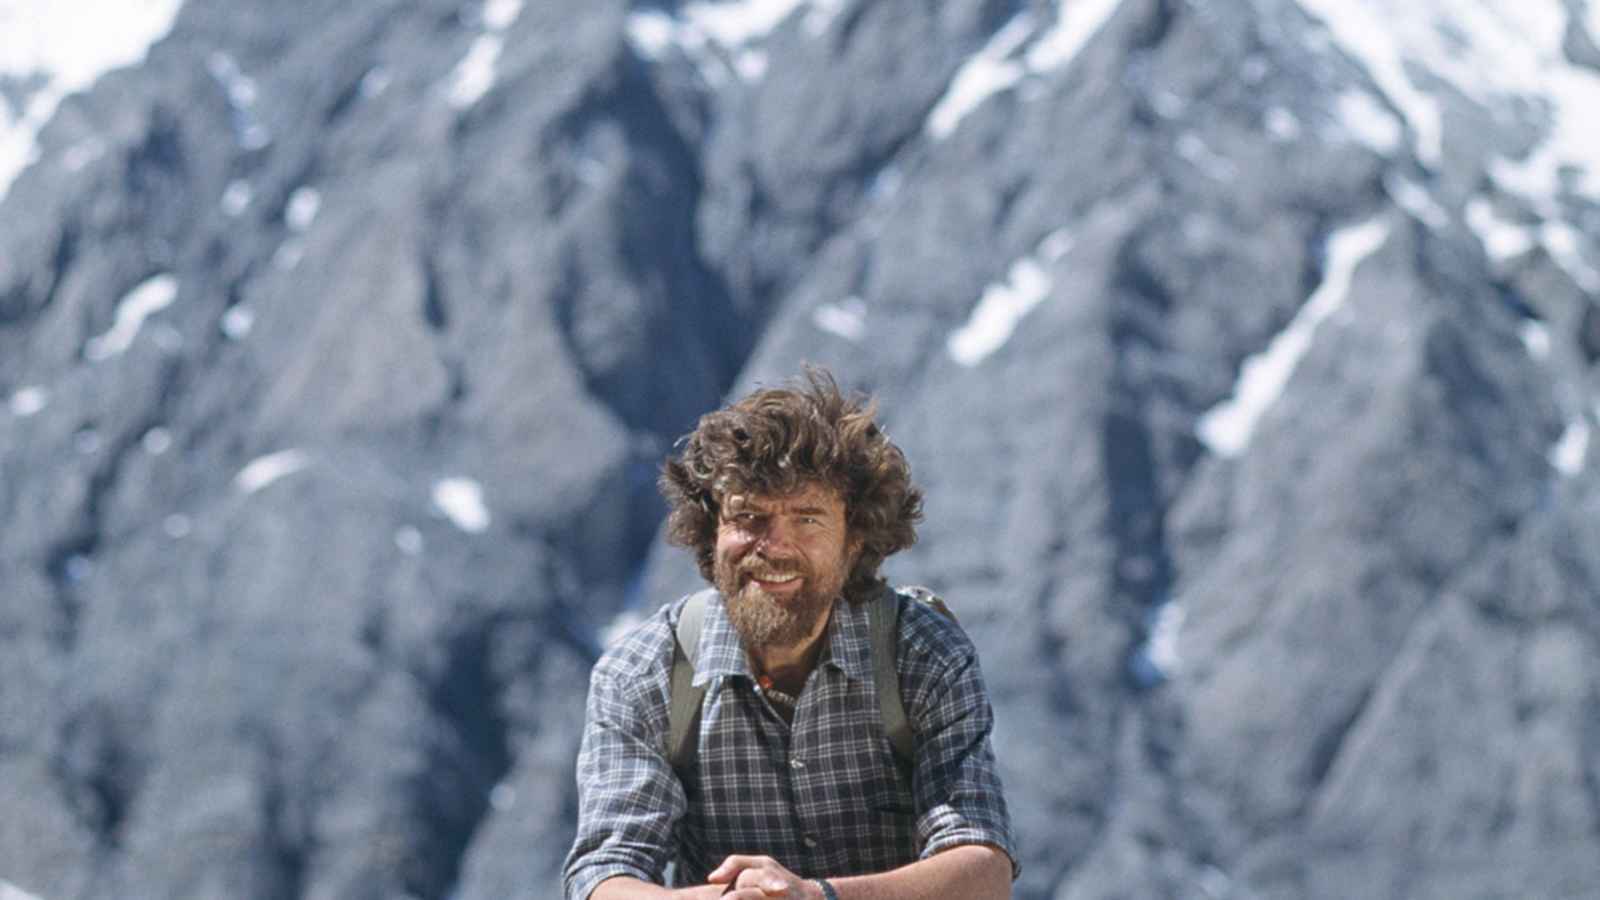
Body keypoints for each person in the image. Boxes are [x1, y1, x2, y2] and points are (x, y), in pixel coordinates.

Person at [563, 368, 1017, 899]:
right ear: (711, 536)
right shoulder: (641, 676)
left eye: (806, 519)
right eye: (749, 516)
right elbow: (603, 876)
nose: (773, 546)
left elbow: (983, 869)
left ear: (854, 542)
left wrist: (816, 897)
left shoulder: (922, 654)